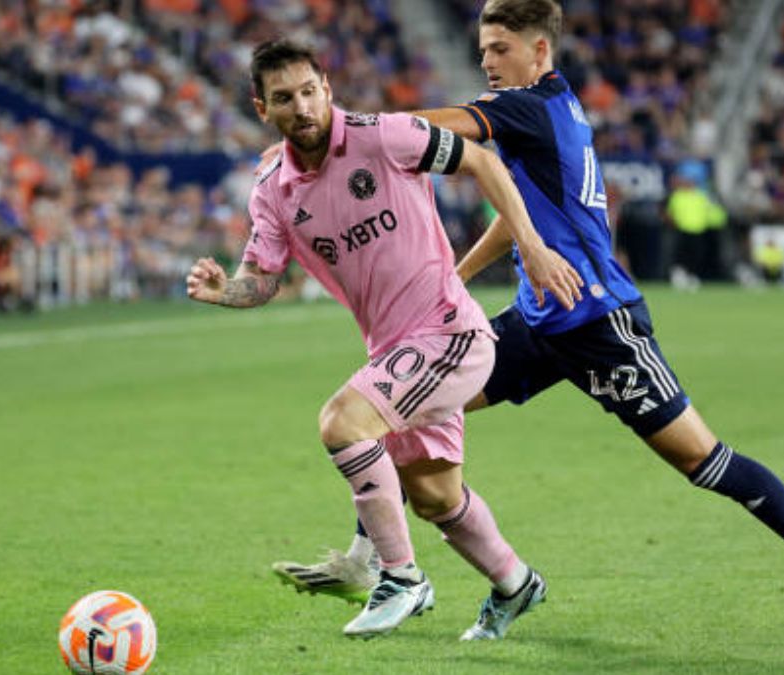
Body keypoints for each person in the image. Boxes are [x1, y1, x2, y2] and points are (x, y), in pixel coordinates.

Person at [272, 0, 784, 637]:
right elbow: (521, 216)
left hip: (599, 323)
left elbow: (419, 127)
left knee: (703, 462)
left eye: (500, 49)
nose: (487, 61)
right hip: (537, 322)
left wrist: (337, 128)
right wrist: (459, 272)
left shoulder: (527, 108)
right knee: (406, 406)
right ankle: (374, 562)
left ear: (540, 52)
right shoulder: (547, 110)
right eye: (482, 50)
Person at [187, 39, 584, 640]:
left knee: (343, 422)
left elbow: (482, 160)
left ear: (327, 85)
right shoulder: (272, 188)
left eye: (308, 90)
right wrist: (226, 290)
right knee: (434, 497)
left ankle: (400, 580)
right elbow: (262, 278)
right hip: (395, 350)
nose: (301, 107)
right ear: (261, 109)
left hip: (448, 331)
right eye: (283, 99)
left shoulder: (384, 135)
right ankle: (516, 583)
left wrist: (529, 243)